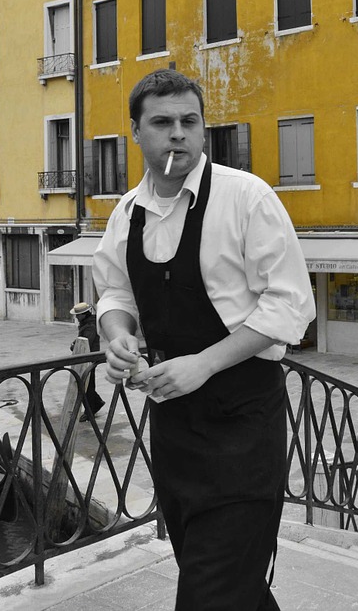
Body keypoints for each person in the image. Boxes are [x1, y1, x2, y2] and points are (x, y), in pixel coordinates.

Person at [92, 70, 315, 611]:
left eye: (189, 122)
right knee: (228, 585)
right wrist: (117, 339)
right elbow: (114, 294)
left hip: (244, 424)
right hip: (174, 432)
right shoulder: (127, 214)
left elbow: (291, 306)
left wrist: (205, 364)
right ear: (136, 133)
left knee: (208, 594)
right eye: (162, 123)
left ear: (203, 130)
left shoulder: (246, 198)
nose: (178, 135)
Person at [71, 301, 106, 420]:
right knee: (87, 384)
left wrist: (74, 345)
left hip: (89, 358)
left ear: (84, 314)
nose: (76, 317)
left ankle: (91, 409)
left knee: (87, 385)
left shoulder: (90, 326)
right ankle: (96, 403)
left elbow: (85, 342)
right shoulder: (87, 324)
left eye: (78, 315)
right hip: (87, 357)